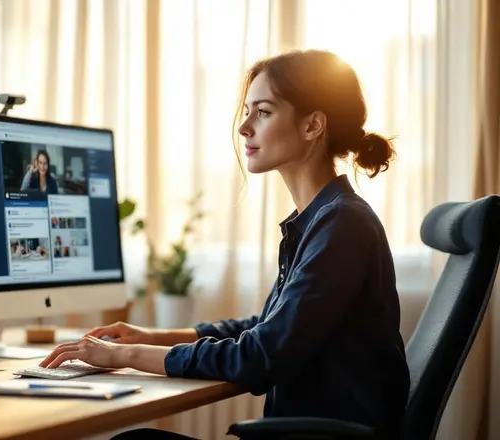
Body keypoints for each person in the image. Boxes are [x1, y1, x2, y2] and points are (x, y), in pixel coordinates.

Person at [39, 49, 411, 439]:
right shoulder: (323, 218)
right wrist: (153, 337)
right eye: (247, 111)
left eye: (263, 112)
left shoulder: (342, 223)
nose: (244, 127)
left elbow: (260, 357)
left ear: (312, 125)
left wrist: (124, 355)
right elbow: (265, 327)